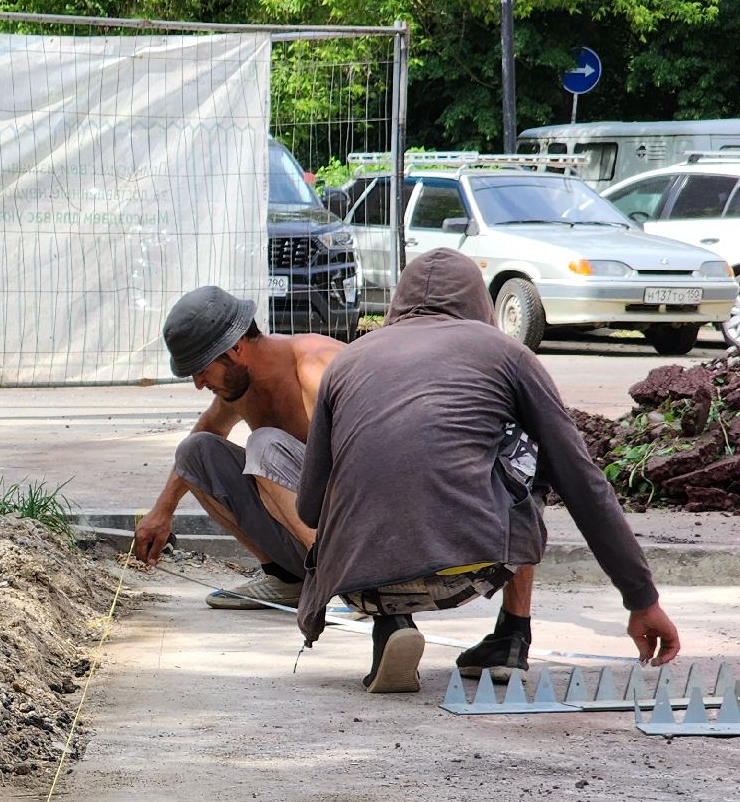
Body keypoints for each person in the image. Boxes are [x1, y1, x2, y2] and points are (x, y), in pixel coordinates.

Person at [294, 248, 681, 693]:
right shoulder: (506, 353)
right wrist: (642, 599)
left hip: (356, 581)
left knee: (375, 465)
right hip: (472, 568)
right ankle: (512, 635)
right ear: (479, 301)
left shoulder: (345, 361)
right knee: (531, 449)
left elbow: (309, 508)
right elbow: (584, 484)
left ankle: (392, 626)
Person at [132, 286, 340, 609]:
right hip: (316, 535)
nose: (198, 383)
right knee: (194, 452)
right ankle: (288, 578)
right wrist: (163, 510)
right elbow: (205, 433)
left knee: (263, 445)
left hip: (360, 535)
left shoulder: (315, 368)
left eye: (202, 369)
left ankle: (343, 581)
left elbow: (370, 461)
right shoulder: (239, 388)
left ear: (236, 349)